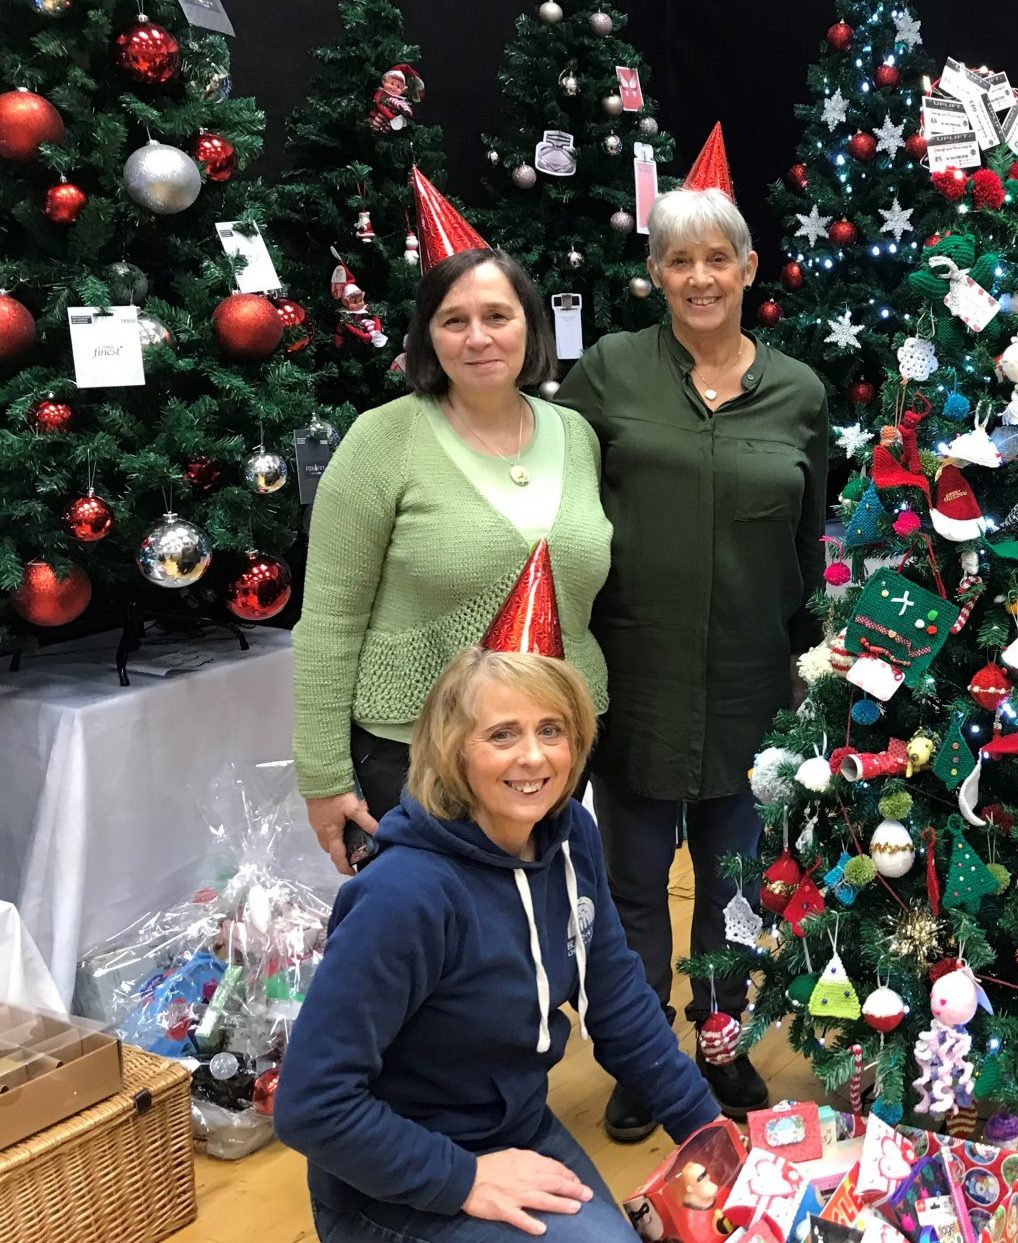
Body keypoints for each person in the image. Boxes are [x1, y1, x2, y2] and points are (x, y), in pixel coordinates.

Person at [275, 647, 720, 1242]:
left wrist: (709, 1133)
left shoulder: (569, 839)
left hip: (516, 1127)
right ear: (453, 750)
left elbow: (617, 1001)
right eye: (502, 734)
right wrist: (464, 1179)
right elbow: (311, 1104)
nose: (533, 756)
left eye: (551, 730)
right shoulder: (404, 896)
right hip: (391, 1177)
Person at [555, 183, 828, 1136]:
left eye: (720, 259)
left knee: (737, 886)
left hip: (755, 687)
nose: (701, 277)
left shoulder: (798, 390)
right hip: (635, 680)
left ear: (750, 269)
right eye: (681, 261)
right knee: (631, 885)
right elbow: (560, 505)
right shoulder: (610, 373)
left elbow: (809, 540)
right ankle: (640, 1057)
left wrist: (812, 662)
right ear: (656, 275)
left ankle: (722, 1044)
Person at [294, 247, 612, 876]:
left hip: (550, 751)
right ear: (426, 336)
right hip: (415, 755)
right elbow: (328, 622)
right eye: (453, 320)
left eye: (497, 315)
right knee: (434, 953)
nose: (478, 338)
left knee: (534, 932)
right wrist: (323, 774)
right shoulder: (381, 440)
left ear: (530, 326)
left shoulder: (576, 437)